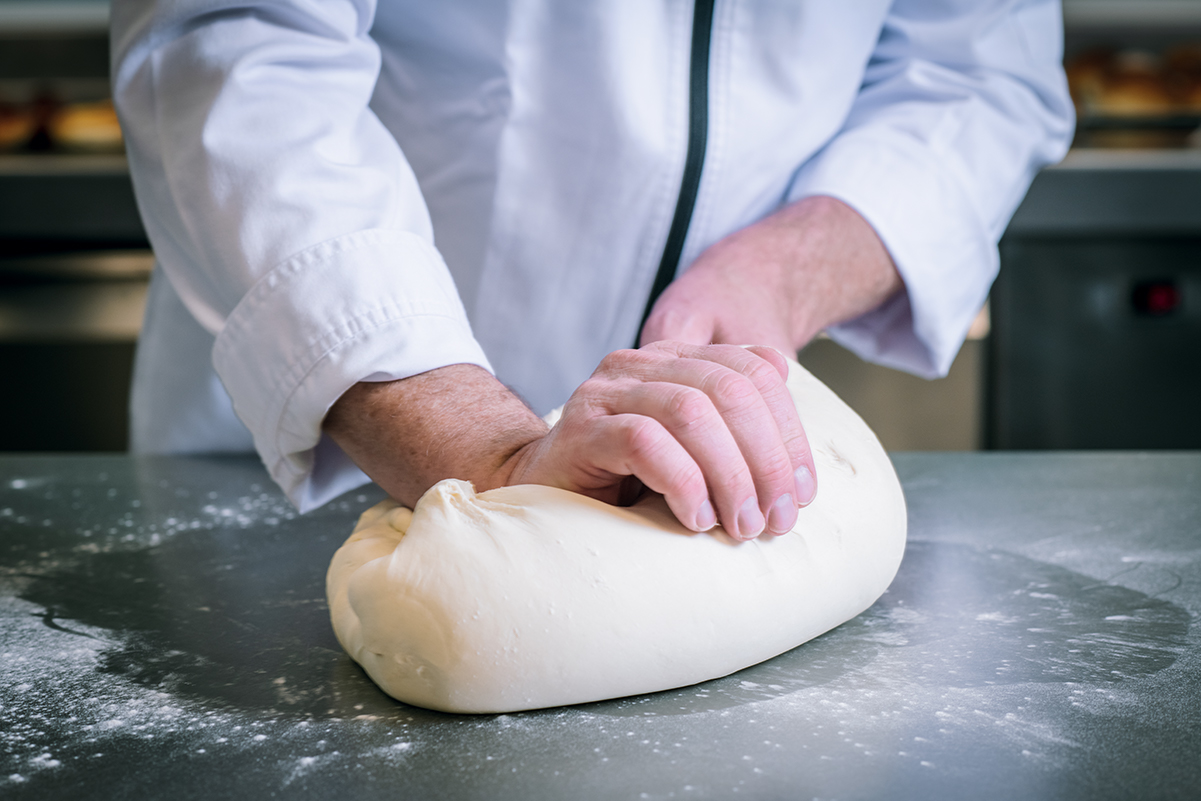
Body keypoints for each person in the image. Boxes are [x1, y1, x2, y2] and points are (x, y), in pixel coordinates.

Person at [111, 1, 1073, 539]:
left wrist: (786, 271)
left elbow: (978, 69)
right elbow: (234, 46)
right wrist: (484, 454)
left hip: (707, 462)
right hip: (320, 424)